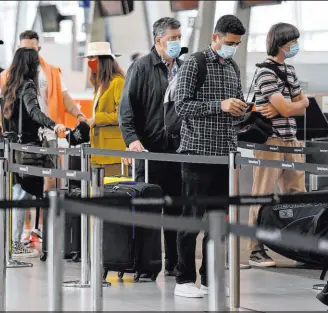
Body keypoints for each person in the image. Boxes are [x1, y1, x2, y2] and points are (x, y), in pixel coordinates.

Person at [173, 15, 247, 298]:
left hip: (225, 154)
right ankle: (183, 279)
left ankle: (211, 277)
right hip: (197, 152)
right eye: (229, 42)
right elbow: (181, 105)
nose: (232, 48)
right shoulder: (195, 62)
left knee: (219, 222)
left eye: (237, 44)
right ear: (215, 37)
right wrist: (220, 105)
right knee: (192, 218)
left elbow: (233, 104)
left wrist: (242, 109)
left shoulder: (233, 66)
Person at [0, 30, 87, 249]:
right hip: (35, 139)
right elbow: (32, 111)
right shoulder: (20, 80)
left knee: (37, 187)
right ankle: (21, 240)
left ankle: (34, 236)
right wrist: (53, 124)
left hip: (29, 141)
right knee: (34, 188)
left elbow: (63, 98)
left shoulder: (39, 75)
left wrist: (76, 114)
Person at [119, 17, 184, 277]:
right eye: (173, 38)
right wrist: (132, 139)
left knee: (175, 209)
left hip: (178, 151)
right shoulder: (141, 67)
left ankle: (173, 264)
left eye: (180, 37)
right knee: (148, 208)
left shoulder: (183, 67)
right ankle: (146, 266)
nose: (178, 43)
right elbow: (126, 109)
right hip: (149, 151)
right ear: (158, 40)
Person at [248, 22, 309, 267]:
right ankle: (255, 249)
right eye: (292, 42)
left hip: (291, 140)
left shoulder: (290, 70)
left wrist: (290, 107)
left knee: (298, 196)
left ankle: (304, 247)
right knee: (261, 197)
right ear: (281, 43)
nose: (295, 45)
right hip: (269, 142)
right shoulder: (264, 72)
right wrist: (291, 106)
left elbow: (301, 105)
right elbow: (291, 106)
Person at [0, 48, 66, 256]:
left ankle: (11, 241)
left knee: (18, 192)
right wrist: (53, 124)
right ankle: (15, 243)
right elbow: (34, 112)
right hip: (27, 147)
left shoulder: (10, 85)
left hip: (12, 146)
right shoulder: (27, 86)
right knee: (23, 194)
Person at [83, 41, 125, 175]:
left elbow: (122, 115)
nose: (89, 62)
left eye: (91, 58)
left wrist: (96, 119)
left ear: (103, 60)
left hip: (113, 154)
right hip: (96, 151)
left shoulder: (118, 82)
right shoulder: (99, 84)